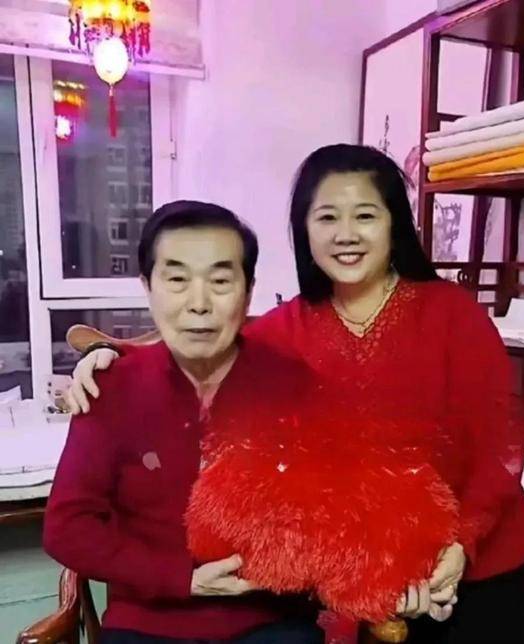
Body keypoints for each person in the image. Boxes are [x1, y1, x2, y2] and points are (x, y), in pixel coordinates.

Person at [66, 145, 524, 643]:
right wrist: (107, 355)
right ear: (303, 229)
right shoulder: (283, 330)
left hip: (479, 559)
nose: (345, 234)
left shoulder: (453, 314)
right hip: (372, 571)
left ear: (394, 224)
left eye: (365, 215)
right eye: (327, 217)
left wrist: (461, 545)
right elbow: (202, 342)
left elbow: (497, 445)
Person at [44, 201, 324, 644]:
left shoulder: (294, 385)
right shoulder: (110, 389)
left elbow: (332, 503)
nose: (199, 305)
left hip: (270, 620)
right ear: (147, 287)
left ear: (248, 291)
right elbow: (67, 528)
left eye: (220, 281)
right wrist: (181, 578)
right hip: (147, 623)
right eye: (177, 280)